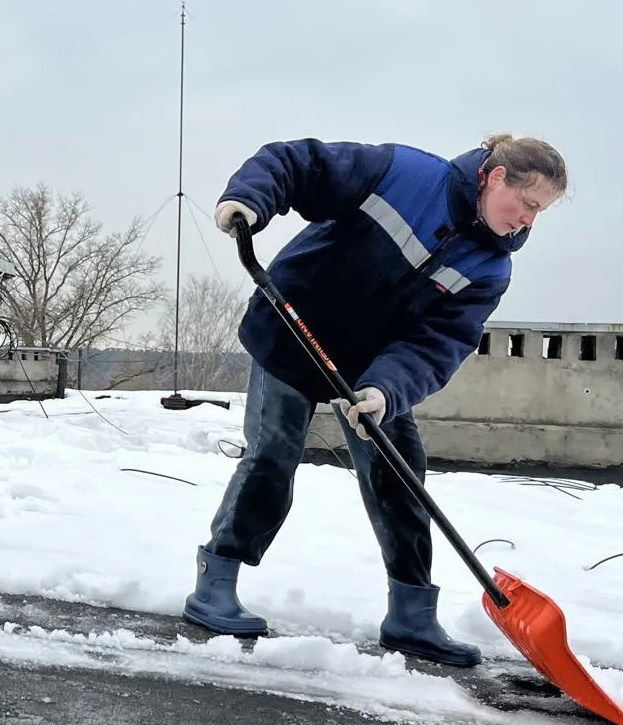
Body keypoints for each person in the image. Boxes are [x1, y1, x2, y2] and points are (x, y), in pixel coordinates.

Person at [186, 134, 568, 665]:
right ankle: (216, 583)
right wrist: (252, 197)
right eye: (528, 205)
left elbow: (439, 343)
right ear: (496, 177)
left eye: (540, 214)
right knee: (273, 454)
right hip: (292, 326)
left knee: (400, 474)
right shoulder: (404, 174)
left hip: (372, 368)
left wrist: (385, 390)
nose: (529, 222)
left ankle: (411, 616)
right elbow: (300, 163)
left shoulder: (490, 267)